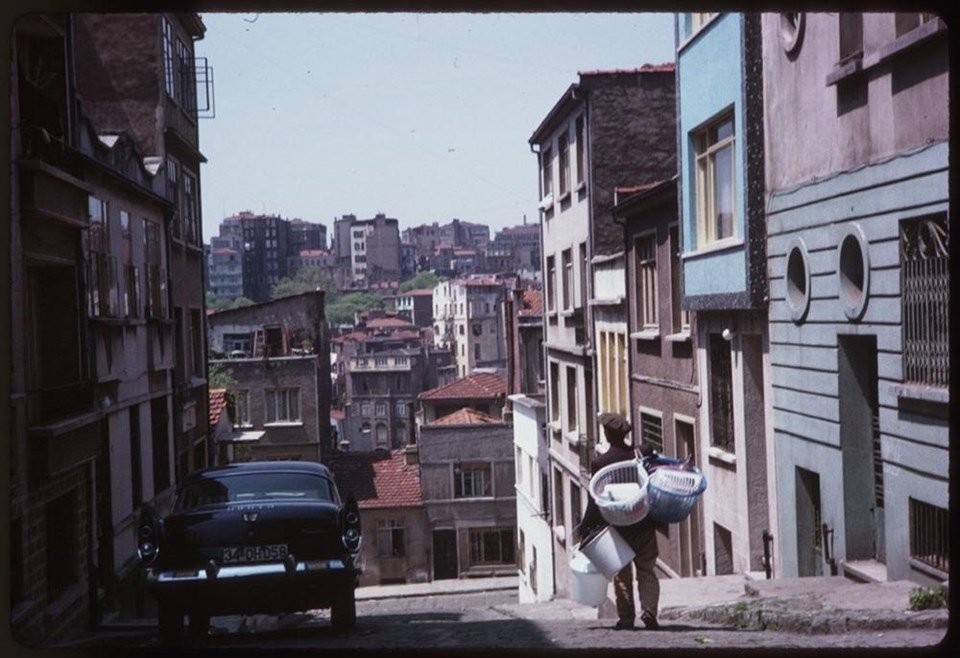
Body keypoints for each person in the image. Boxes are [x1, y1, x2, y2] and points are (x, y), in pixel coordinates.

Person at [578, 412, 660, 631]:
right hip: (643, 523)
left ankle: (626, 619)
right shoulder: (640, 453)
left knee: (622, 576)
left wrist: (585, 527)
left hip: (618, 529)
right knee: (647, 571)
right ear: (625, 434)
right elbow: (651, 453)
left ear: (606, 433)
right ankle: (649, 611)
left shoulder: (600, 463)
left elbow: (595, 501)